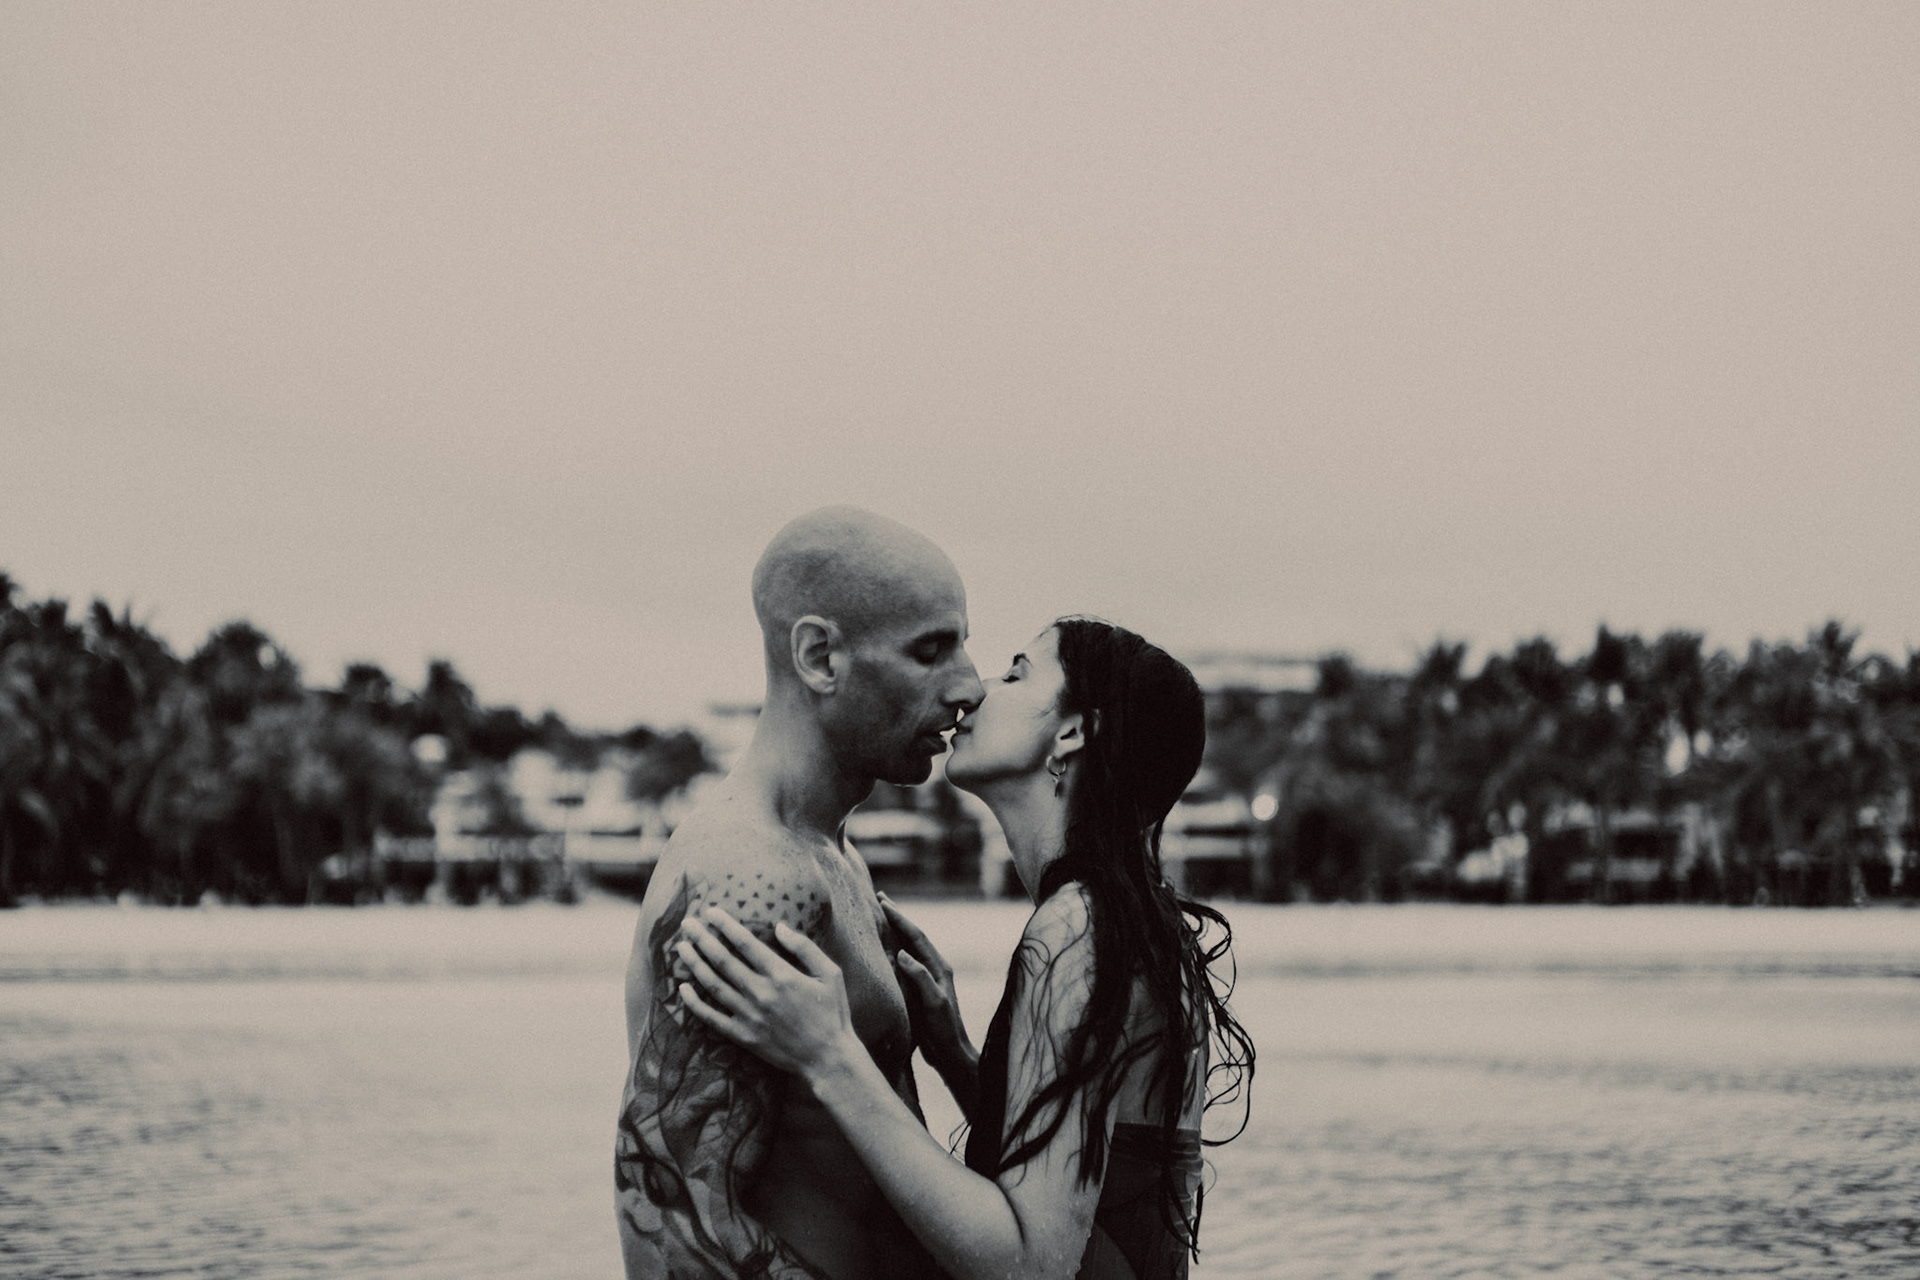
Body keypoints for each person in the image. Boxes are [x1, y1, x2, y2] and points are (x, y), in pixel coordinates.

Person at [677, 617, 1256, 1280]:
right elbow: (1083, 1189)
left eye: (1016, 673)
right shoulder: (1132, 924)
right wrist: (956, 1055)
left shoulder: (1077, 933)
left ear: (1072, 732)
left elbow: (1034, 1266)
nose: (977, 691)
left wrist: (828, 1055)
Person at [614, 506, 985, 1279]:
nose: (968, 688)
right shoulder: (748, 874)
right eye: (930, 651)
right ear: (820, 656)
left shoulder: (830, 856)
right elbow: (670, 1230)